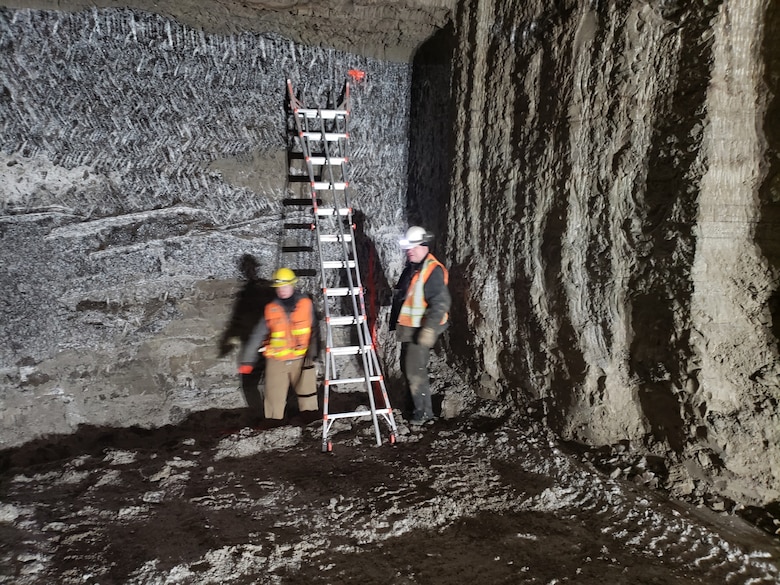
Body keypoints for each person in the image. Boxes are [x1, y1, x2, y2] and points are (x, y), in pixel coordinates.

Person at [239, 267, 320, 425]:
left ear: (292, 285)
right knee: (274, 397)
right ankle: (275, 428)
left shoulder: (305, 304)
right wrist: (247, 361)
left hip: (301, 357)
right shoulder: (271, 309)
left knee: (308, 395)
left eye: (285, 286)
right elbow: (258, 333)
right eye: (279, 287)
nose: (282, 290)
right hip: (277, 359)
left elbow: (314, 330)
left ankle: (312, 427)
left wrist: (315, 355)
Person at [389, 226, 451, 426]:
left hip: (421, 328)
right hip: (410, 328)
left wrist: (430, 329)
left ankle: (423, 415)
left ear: (424, 245)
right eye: (407, 247)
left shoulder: (432, 270)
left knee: (415, 370)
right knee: (408, 369)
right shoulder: (413, 267)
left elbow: (440, 302)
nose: (409, 251)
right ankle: (413, 409)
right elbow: (404, 295)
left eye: (413, 246)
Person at [218, 254, 275, 421]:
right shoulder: (257, 292)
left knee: (260, 383)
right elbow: (237, 320)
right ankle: (265, 416)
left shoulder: (261, 292)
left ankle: (267, 416)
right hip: (257, 345)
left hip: (262, 345)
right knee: (255, 384)